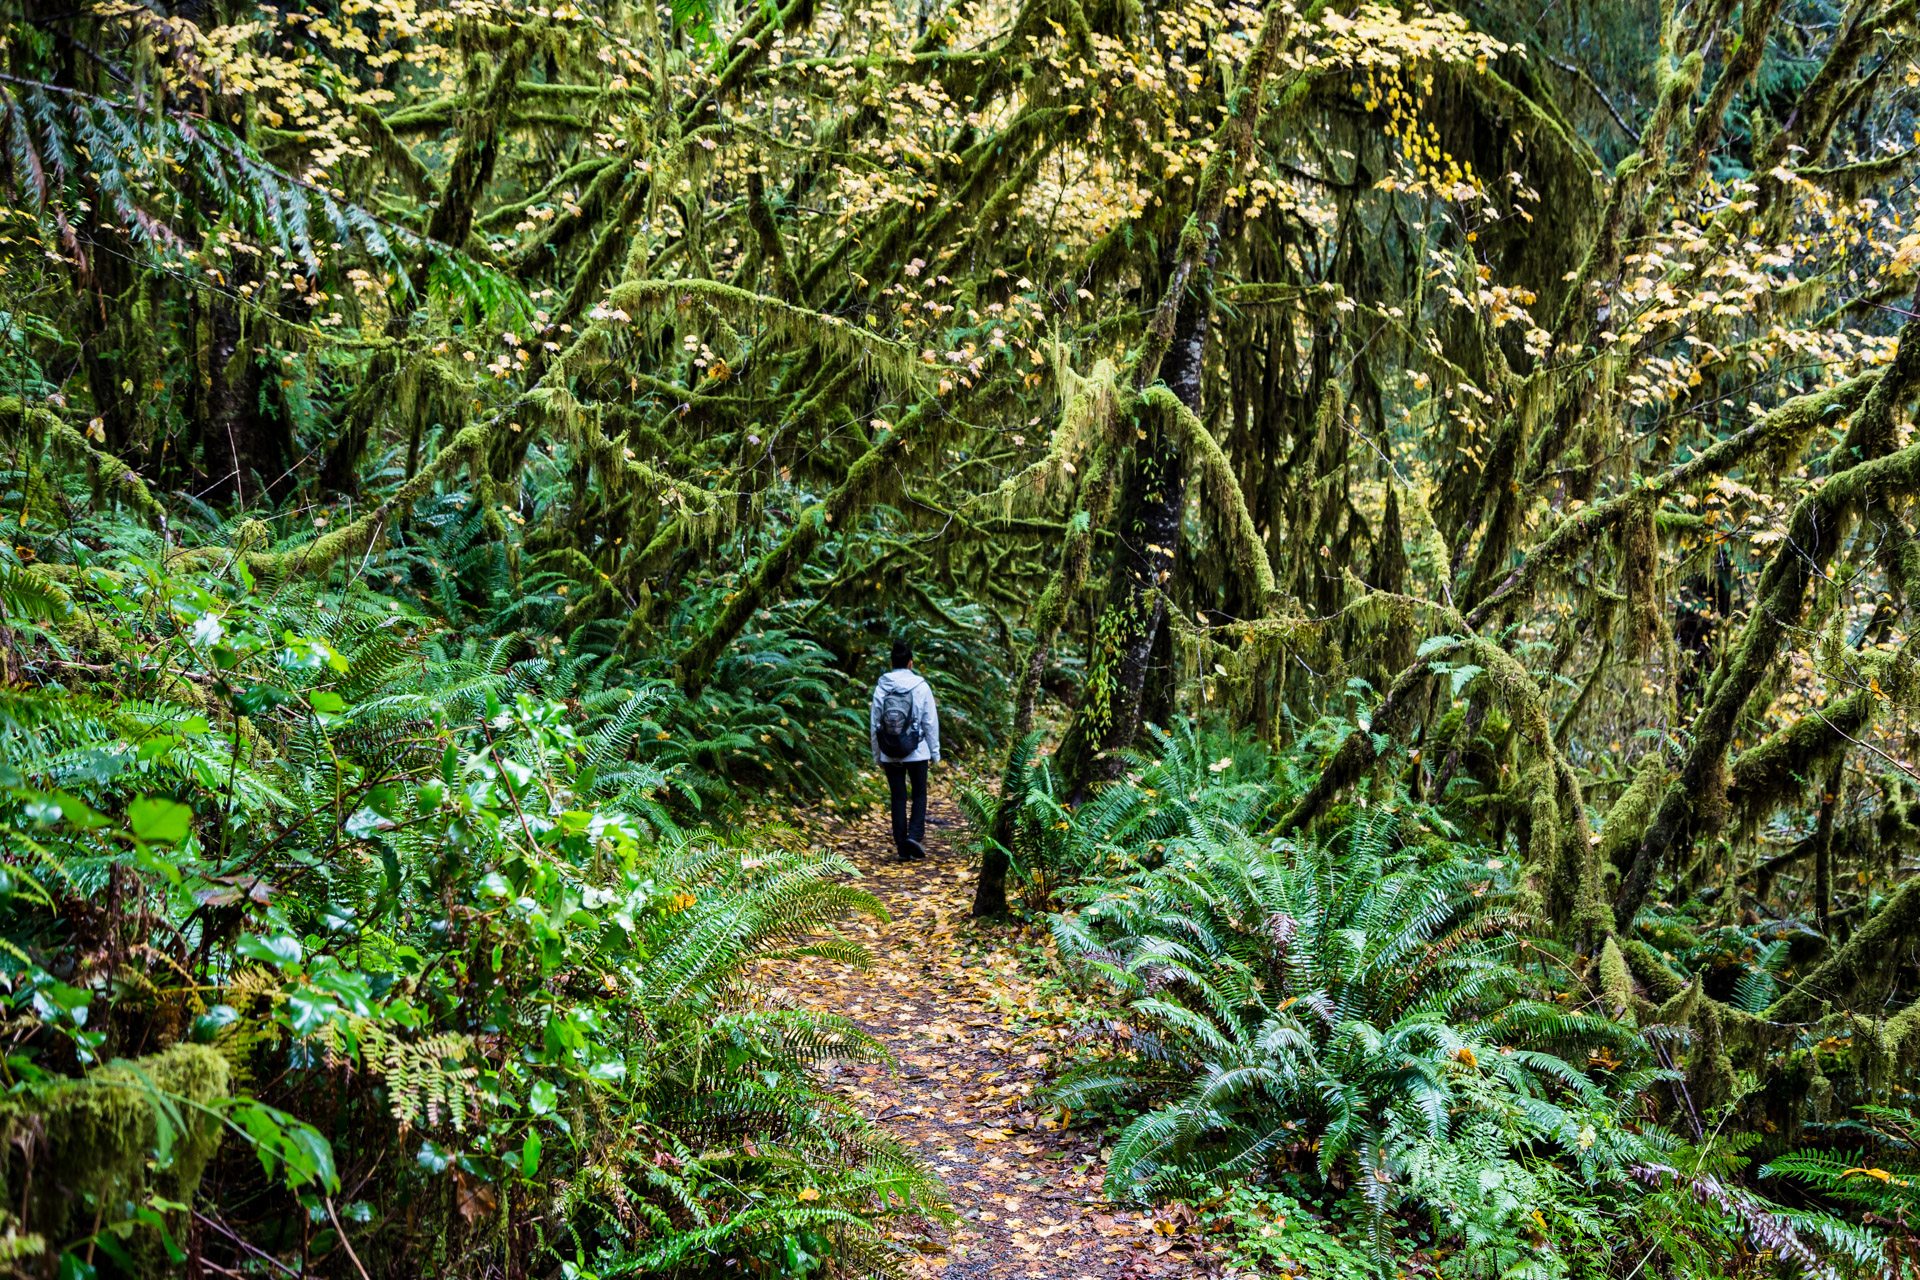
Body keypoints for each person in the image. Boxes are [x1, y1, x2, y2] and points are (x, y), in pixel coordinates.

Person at [870, 639, 940, 861]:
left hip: (890, 750)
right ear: (910, 663)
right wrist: (935, 752)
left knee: (898, 797)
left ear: (892, 663)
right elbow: (930, 722)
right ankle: (914, 836)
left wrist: (877, 755)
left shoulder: (882, 687)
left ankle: (902, 844)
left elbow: (875, 724)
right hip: (918, 750)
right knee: (919, 793)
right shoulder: (921, 687)